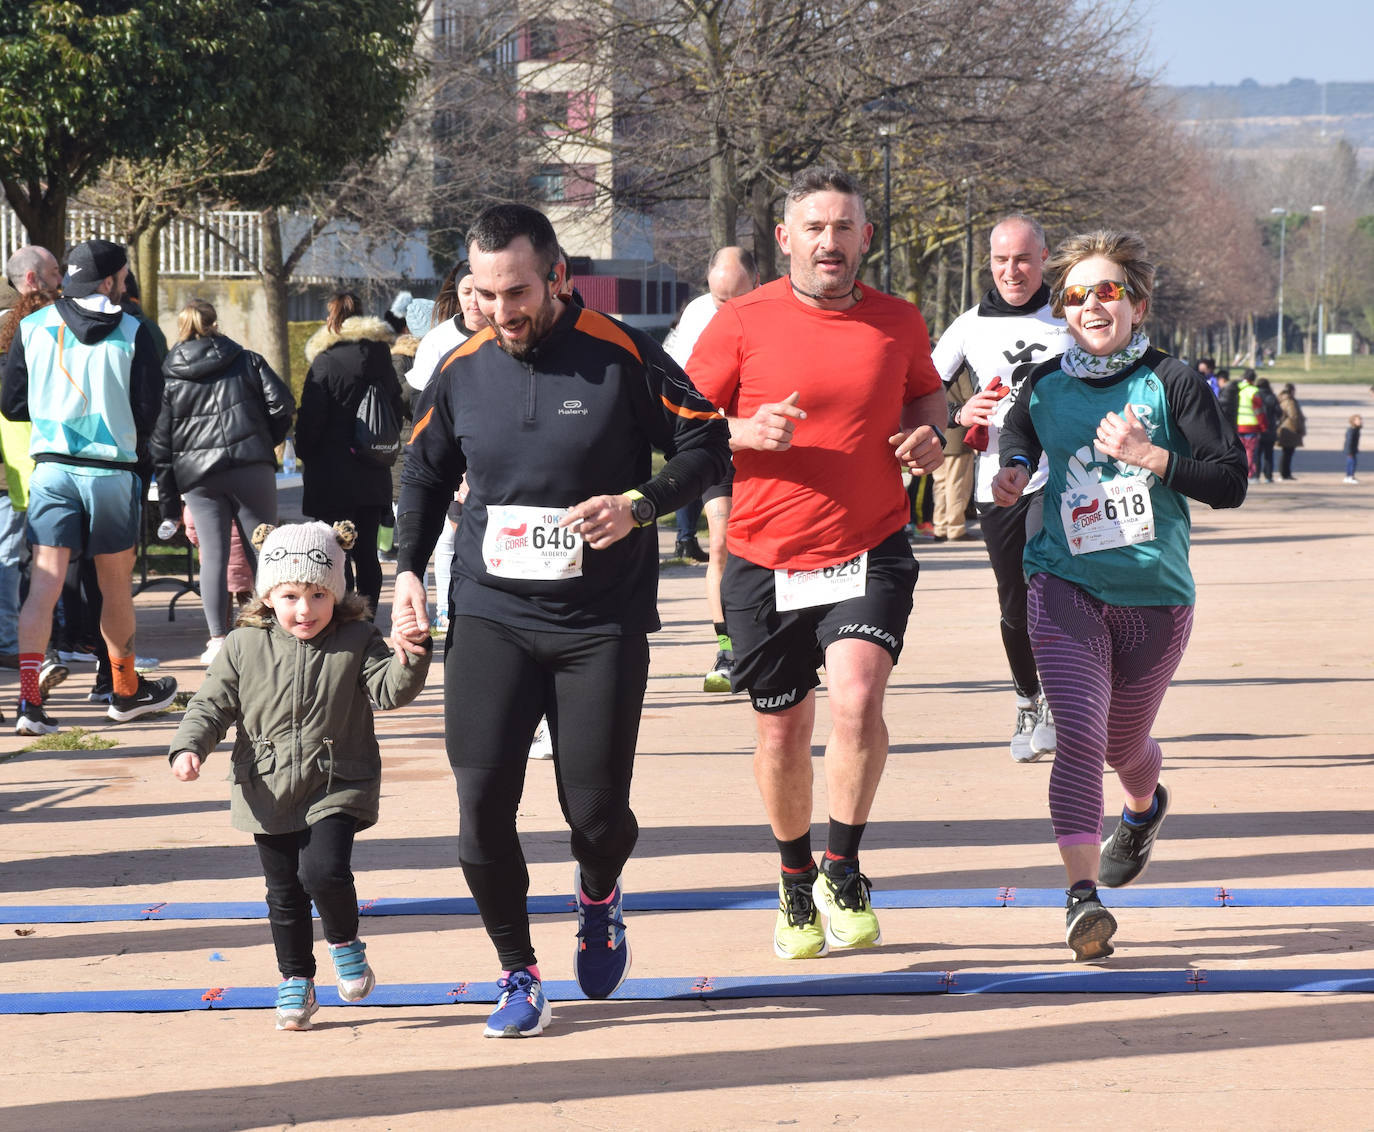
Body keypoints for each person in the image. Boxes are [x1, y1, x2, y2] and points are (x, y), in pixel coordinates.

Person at [390, 203, 729, 1037]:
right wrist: (404, 572)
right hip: (492, 613)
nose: (501, 310)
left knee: (598, 815)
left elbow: (708, 444)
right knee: (480, 809)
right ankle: (517, 972)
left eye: (517, 291)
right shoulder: (463, 366)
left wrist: (640, 504)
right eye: (484, 292)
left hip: (598, 624)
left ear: (559, 279)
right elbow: (423, 471)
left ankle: (599, 895)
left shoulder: (619, 356)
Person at [687, 166, 946, 961]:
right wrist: (741, 431)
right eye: (815, 228)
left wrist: (932, 438)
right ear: (785, 238)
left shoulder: (899, 321)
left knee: (857, 701)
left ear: (866, 237)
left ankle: (844, 866)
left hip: (869, 543)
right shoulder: (739, 320)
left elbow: (927, 397)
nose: (829, 243)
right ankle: (795, 877)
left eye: (844, 228)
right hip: (764, 557)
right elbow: (680, 422)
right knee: (780, 733)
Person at [990, 229, 1246, 961]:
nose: (1092, 305)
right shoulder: (1045, 384)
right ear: (1061, 309)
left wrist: (1150, 456)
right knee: (1079, 737)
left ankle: (1143, 807)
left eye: (1109, 291)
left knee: (1122, 745)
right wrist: (1013, 468)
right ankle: (1081, 899)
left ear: (1137, 303)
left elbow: (1229, 481)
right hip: (1065, 584)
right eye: (1076, 294)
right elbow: (1019, 431)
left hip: (1156, 598)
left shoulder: (1174, 382)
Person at [169, 520, 432, 1030]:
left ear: (336, 593)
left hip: (337, 780)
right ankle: (296, 980)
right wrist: (189, 746)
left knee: (323, 872)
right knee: (284, 891)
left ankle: (344, 941)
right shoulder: (243, 646)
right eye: (290, 595)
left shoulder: (357, 638)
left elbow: (387, 691)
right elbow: (211, 704)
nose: (304, 609)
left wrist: (412, 654)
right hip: (265, 786)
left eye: (317, 594)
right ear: (268, 595)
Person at [1, 238, 177, 734]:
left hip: (52, 469)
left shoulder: (33, 326)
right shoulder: (134, 330)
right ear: (108, 280)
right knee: (115, 587)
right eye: (123, 277)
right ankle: (123, 691)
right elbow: (149, 412)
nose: (126, 285)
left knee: (44, 584)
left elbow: (13, 404)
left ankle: (30, 703)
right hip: (111, 472)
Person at [932, 214, 1073, 762]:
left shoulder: (1071, 315)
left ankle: (1064, 703)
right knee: (1015, 602)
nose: (1010, 270)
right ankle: (1027, 698)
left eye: (1021, 259)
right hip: (1001, 484)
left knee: (1053, 592)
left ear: (1043, 259)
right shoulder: (968, 326)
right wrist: (957, 410)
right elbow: (919, 391)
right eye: (999, 260)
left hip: (1066, 478)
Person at [153, 299, 295, 663]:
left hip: (199, 477)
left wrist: (170, 500)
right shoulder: (247, 360)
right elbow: (282, 405)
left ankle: (217, 639)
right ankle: (276, 627)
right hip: (251, 466)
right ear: (215, 323)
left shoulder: (170, 375)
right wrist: (265, 441)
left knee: (212, 557)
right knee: (265, 551)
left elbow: (160, 442)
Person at [664, 246, 760, 691]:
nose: (726, 308)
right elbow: (680, 383)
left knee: (769, 546)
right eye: (719, 298)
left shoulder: (776, 309)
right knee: (720, 544)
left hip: (768, 448)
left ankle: (774, 637)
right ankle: (728, 649)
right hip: (718, 443)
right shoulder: (697, 314)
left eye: (736, 298)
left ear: (756, 285)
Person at [294, 291, 404, 614]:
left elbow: (311, 421)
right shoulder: (383, 358)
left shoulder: (325, 362)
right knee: (367, 551)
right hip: (372, 470)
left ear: (333, 319)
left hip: (332, 477)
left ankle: (343, 615)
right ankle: (367, 619)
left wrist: (304, 450)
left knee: (335, 550)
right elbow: (395, 412)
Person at [0, 247, 62, 670]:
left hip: (24, 466)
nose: (63, 281)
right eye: (56, 273)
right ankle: (18, 642)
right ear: (31, 280)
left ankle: (20, 640)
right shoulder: (38, 327)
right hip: (25, 465)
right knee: (27, 559)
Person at [1232, 368, 1266, 480]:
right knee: (1250, 452)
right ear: (1253, 379)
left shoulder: (1237, 390)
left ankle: (1239, 471)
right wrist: (1263, 426)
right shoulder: (1253, 391)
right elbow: (1259, 411)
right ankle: (1249, 474)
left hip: (1238, 426)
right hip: (1251, 427)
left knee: (1240, 451)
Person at [1276, 382, 1305, 480]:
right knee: (1287, 452)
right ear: (1292, 391)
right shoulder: (1290, 401)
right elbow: (1294, 415)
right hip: (1290, 429)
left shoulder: (1282, 399)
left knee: (1287, 452)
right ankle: (1284, 474)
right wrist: (1299, 428)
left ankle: (1285, 473)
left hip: (1285, 428)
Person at [1254, 374, 1281, 483]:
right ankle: (1268, 476)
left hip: (1257, 428)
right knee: (1268, 455)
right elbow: (1279, 412)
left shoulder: (1255, 395)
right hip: (1270, 429)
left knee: (1257, 454)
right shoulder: (1272, 396)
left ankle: (1256, 475)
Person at [1344, 414, 1362, 484]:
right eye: (1358, 420)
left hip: (1352, 449)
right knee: (1352, 463)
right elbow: (1349, 441)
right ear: (1353, 421)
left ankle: (1348, 477)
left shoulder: (1356, 429)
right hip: (1350, 450)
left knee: (1350, 462)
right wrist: (1350, 451)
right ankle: (1350, 477)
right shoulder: (1352, 430)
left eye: (1360, 420)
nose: (1360, 421)